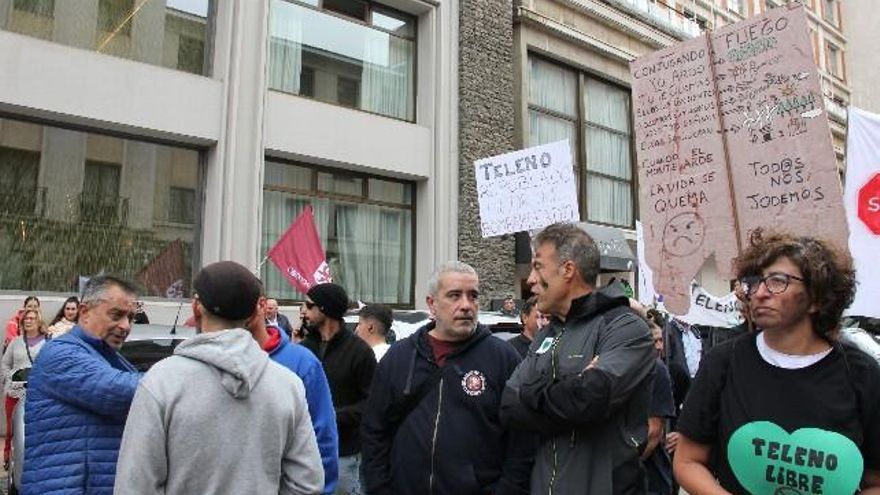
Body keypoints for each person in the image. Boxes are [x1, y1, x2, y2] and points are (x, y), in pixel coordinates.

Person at [674, 230, 880, 495]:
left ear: (817, 298)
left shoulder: (862, 374)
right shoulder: (724, 362)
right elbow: (688, 461)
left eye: (778, 281)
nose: (760, 293)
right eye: (755, 282)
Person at [114, 261, 324, 495]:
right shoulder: (288, 385)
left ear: (196, 308)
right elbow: (307, 483)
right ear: (256, 312)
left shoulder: (161, 382)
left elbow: (134, 485)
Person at [500, 222, 655, 494]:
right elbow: (509, 406)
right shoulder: (546, 333)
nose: (530, 280)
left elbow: (590, 398)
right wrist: (572, 389)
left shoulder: (624, 326)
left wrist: (533, 395)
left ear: (568, 270)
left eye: (538, 266)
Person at [361, 261, 534, 495]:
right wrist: (380, 488)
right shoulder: (399, 357)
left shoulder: (503, 358)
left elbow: (522, 441)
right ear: (432, 304)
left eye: (473, 296)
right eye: (454, 295)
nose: (466, 305)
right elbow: (374, 431)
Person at [22, 276, 141, 495]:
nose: (125, 325)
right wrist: (180, 371)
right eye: (117, 315)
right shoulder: (61, 353)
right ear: (84, 312)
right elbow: (122, 391)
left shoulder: (108, 356)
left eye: (131, 317)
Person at [247, 294, 340, 494]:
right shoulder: (193, 370)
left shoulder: (302, 362)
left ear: (260, 306)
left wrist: (322, 488)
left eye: (309, 305)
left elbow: (322, 434)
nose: (304, 311)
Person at [301, 283, 375, 495]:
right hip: (305, 451)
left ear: (324, 309)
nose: (304, 311)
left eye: (309, 305)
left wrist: (333, 416)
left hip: (343, 453)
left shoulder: (359, 352)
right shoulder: (304, 349)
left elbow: (372, 402)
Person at [1, 308, 48, 469]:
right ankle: (8, 459)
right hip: (15, 392)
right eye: (26, 319)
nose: (28, 321)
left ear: (39, 321)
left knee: (33, 428)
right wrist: (10, 378)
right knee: (11, 429)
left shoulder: (47, 342)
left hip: (37, 393)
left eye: (32, 318)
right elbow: (5, 363)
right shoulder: (15, 342)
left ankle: (32, 460)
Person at [642, 321, 676, 495]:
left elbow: (653, 433)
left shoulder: (657, 369)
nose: (660, 346)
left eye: (661, 340)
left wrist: (623, 469)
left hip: (650, 479)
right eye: (654, 341)